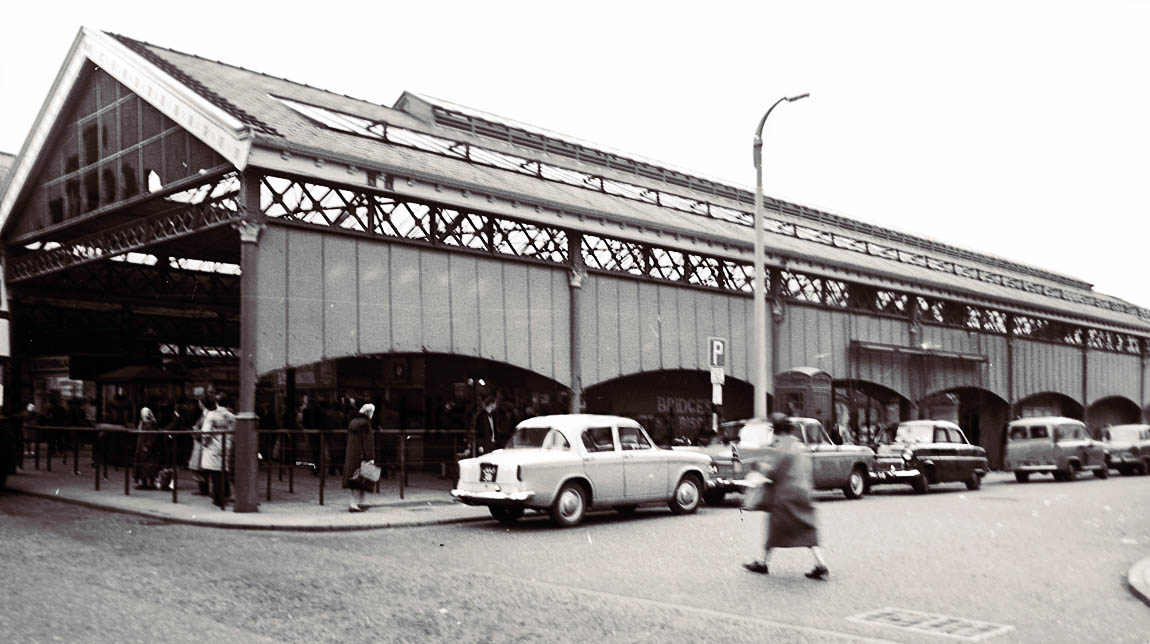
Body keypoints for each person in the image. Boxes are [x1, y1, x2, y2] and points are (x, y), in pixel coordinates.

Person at [743, 412, 829, 580]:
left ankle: (762, 563)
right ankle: (821, 565)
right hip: (803, 492)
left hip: (785, 495)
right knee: (808, 529)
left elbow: (772, 471)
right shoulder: (798, 445)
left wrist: (757, 467)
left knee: (773, 530)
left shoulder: (780, 446)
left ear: (775, 429)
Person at [200, 393, 236, 509]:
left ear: (216, 403)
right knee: (223, 470)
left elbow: (206, 432)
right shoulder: (232, 416)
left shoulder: (211, 415)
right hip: (227, 445)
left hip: (213, 446)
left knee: (215, 473)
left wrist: (204, 444)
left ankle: (218, 499)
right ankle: (225, 494)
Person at [342, 403, 377, 512]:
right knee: (363, 477)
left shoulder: (353, 422)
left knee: (355, 478)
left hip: (352, 454)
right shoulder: (365, 424)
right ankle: (356, 503)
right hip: (362, 455)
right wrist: (370, 457)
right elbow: (368, 442)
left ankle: (358, 502)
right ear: (369, 413)